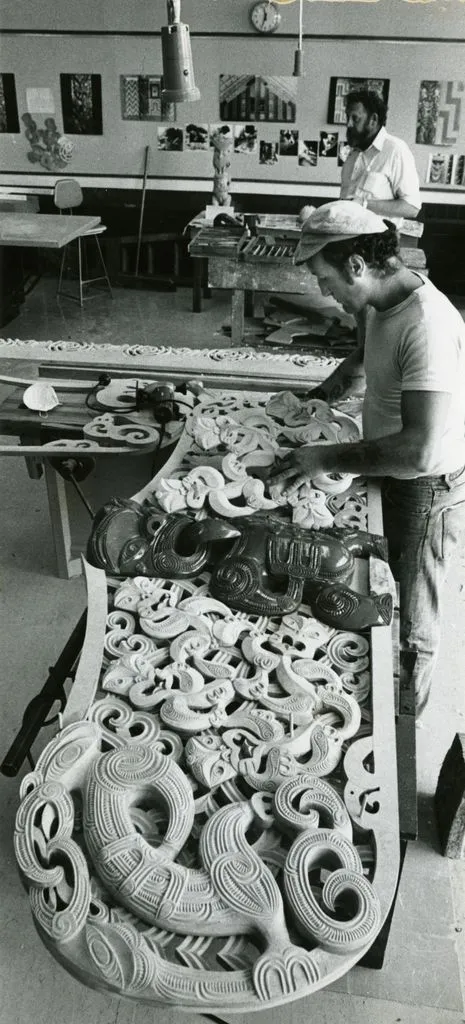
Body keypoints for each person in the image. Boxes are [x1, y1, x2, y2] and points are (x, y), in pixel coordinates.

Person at [268, 200, 465, 717]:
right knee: (375, 580)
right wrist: (311, 404)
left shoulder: (427, 325)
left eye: (324, 278)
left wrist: (325, 457)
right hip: (389, 462)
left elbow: (420, 448)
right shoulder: (376, 302)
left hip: (427, 483)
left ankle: (405, 723)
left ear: (356, 266)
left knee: (412, 609)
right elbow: (361, 363)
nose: (321, 290)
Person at [300, 89, 421, 224]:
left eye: (355, 118)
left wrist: (362, 204)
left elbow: (412, 207)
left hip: (378, 242)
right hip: (346, 239)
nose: (348, 124)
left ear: (373, 120)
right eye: (347, 117)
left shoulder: (396, 150)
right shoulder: (353, 154)